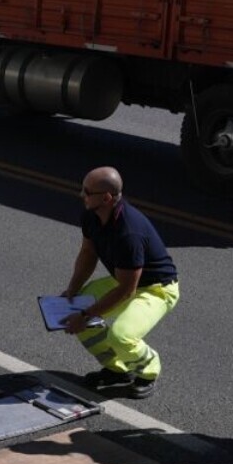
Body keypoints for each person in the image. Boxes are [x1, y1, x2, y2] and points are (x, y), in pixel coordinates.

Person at [59, 166, 180, 399]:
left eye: (87, 191)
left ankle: (148, 370)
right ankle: (118, 370)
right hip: (126, 281)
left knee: (121, 334)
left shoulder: (129, 233)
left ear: (106, 198)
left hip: (157, 290)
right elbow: (88, 254)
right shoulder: (91, 215)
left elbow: (126, 290)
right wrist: (72, 289)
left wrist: (85, 316)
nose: (81, 195)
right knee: (81, 308)